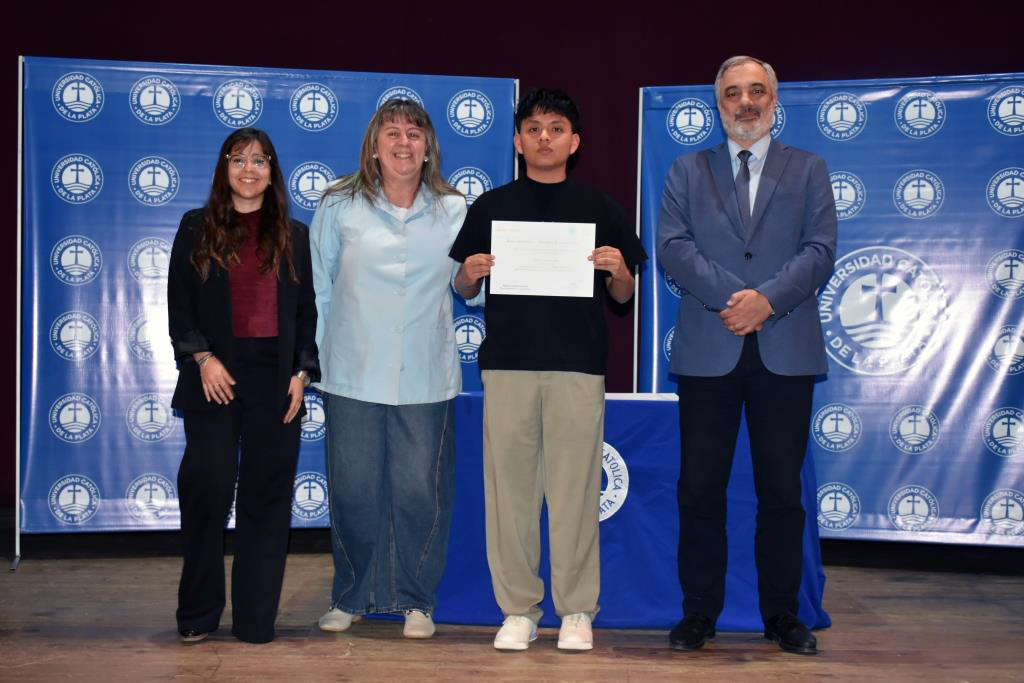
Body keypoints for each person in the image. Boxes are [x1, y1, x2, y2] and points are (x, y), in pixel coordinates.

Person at [449, 88, 647, 652]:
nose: (544, 137)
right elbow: (462, 287)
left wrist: (618, 270)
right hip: (508, 366)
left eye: (556, 128)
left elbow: (624, 295)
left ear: (574, 141)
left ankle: (577, 609)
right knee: (509, 494)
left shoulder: (601, 208)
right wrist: (470, 273)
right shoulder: (489, 207)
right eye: (533, 128)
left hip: (577, 368)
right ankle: (518, 610)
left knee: (574, 492)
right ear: (517, 140)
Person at [657, 56, 838, 655]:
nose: (746, 102)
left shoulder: (809, 168)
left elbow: (820, 250)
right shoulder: (686, 170)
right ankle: (698, 613)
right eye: (733, 93)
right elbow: (673, 246)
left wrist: (767, 301)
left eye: (757, 90)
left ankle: (782, 614)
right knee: (699, 489)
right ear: (719, 105)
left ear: (773, 100)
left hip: (785, 348)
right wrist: (735, 300)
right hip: (709, 349)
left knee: (782, 492)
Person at [310, 99, 466, 640]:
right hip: (351, 370)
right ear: (374, 145)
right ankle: (350, 596)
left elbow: (473, 289)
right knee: (353, 490)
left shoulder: (454, 209)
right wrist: (312, 361)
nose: (404, 142)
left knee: (422, 491)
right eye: (392, 132)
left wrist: (480, 275)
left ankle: (417, 601)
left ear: (429, 147)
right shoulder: (339, 204)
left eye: (414, 133)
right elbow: (319, 286)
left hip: (426, 372)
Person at [167, 127, 319, 644]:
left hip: (275, 377)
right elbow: (180, 304)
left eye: (259, 160)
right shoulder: (196, 227)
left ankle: (255, 619)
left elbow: (306, 312)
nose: (249, 169)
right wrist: (202, 358)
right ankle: (198, 612)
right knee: (207, 488)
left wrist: (301, 373)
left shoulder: (294, 235)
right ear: (224, 168)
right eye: (238, 159)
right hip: (216, 374)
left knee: (267, 496)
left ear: (272, 172)